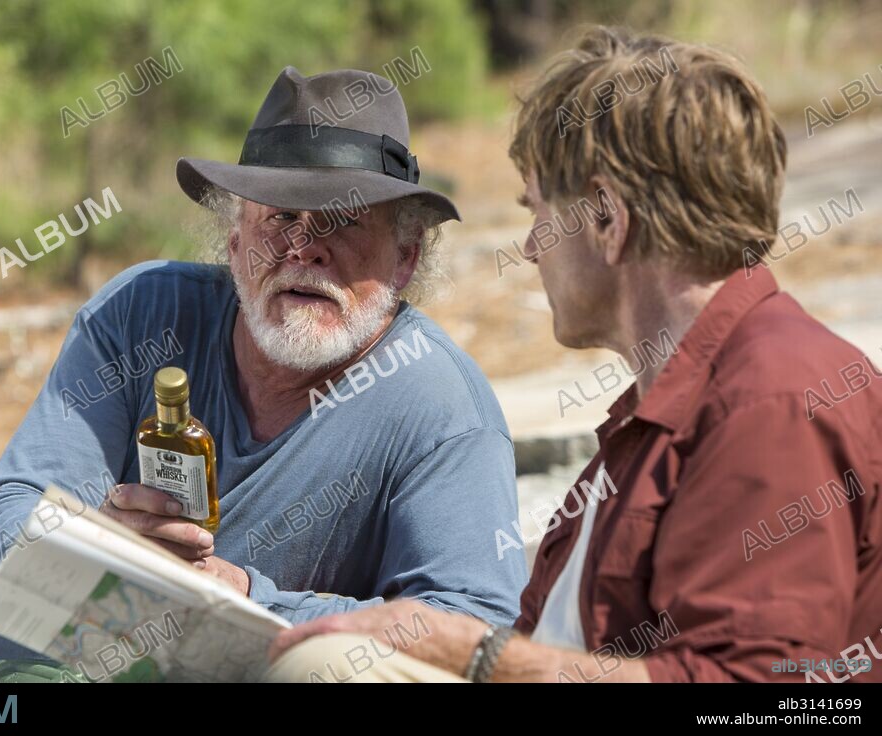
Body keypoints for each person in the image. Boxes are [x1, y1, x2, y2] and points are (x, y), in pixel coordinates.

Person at [262, 26, 882, 684]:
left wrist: (478, 655)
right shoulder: (669, 407)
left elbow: (763, 697)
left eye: (539, 212)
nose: (530, 247)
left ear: (608, 220)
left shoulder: (772, 398)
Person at [0, 65, 527, 662]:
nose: (305, 248)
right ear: (234, 239)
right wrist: (99, 547)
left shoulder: (441, 408)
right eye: (282, 217)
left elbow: (472, 630)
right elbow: (10, 506)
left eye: (345, 220)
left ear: (405, 258)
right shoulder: (142, 312)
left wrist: (248, 596)